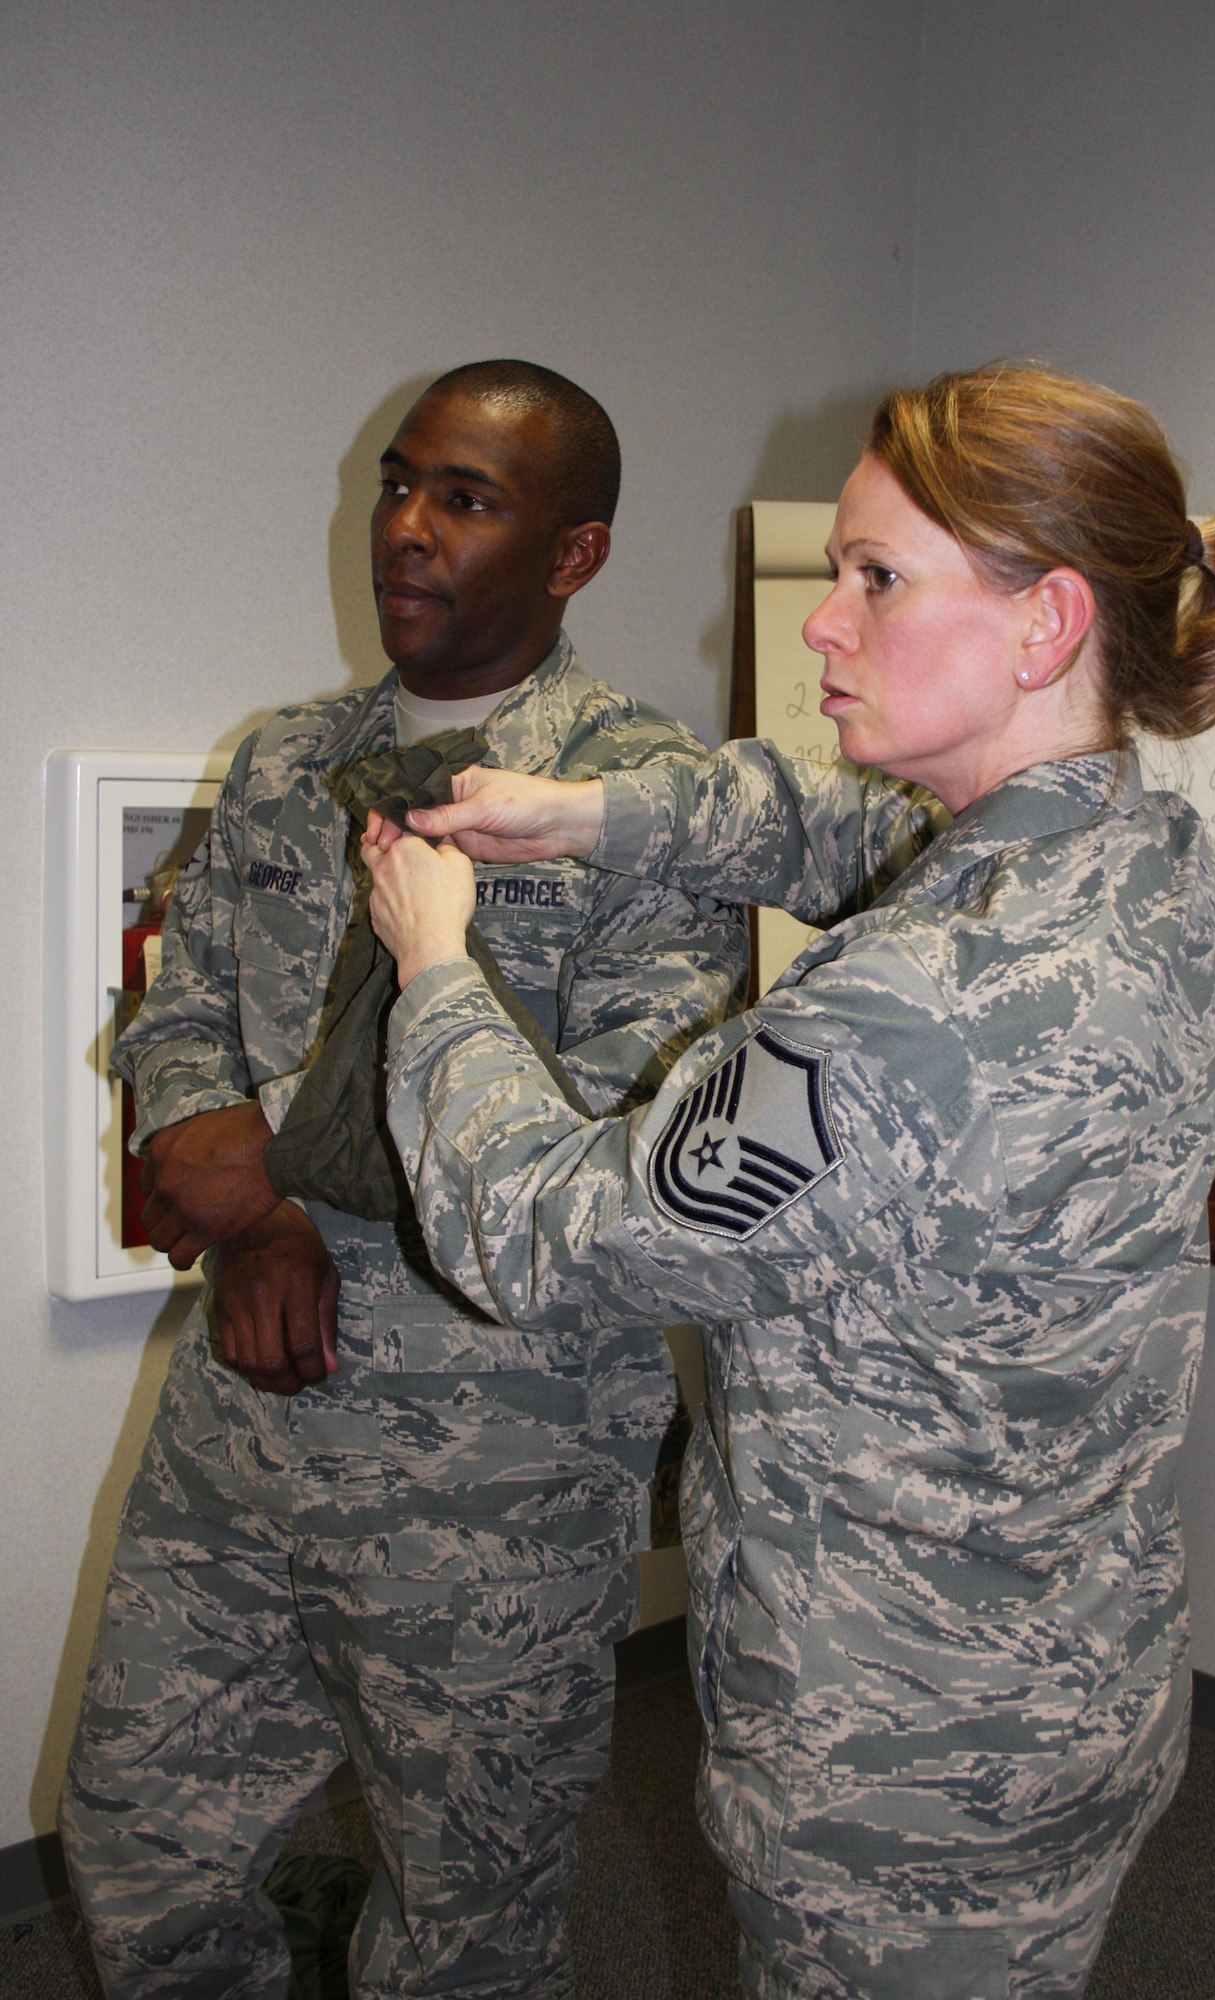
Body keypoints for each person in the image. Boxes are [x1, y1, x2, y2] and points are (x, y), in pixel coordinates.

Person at [358, 363, 1215, 2000]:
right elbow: (836, 819)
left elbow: (547, 1233)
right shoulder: (1138, 859)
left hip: (893, 1776)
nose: (822, 622)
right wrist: (596, 816)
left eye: (877, 578)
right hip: (1063, 1677)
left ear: (1044, 624)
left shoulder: (909, 1011)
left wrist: (437, 968)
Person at [61, 363, 777, 1999]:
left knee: (470, 1914)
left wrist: (290, 1171)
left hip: (498, 1464)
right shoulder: (283, 763)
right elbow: (172, 1019)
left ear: (574, 553)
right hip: (246, 1413)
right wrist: (259, 1214)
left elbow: (614, 1148)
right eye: (397, 483)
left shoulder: (637, 805)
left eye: (466, 497)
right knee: (139, 1833)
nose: (405, 527)